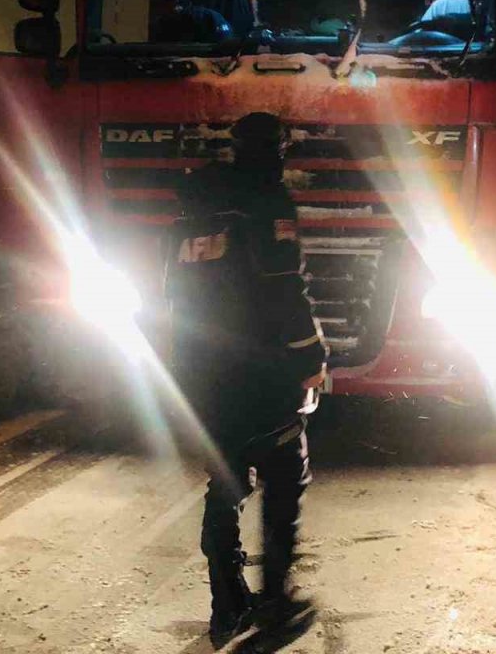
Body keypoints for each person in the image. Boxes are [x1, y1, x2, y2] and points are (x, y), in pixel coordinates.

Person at [163, 112, 328, 647]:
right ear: (276, 151)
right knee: (285, 476)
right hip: (262, 369)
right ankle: (276, 602)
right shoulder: (266, 201)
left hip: (202, 371)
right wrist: (311, 355)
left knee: (225, 481)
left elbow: (170, 293)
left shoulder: (192, 209)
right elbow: (283, 288)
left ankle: (226, 606)